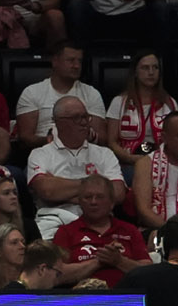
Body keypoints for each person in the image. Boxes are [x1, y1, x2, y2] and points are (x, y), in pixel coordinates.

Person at [27, 96, 127, 238]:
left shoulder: (104, 154)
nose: (84, 123)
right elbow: (47, 191)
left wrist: (61, 190)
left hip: (99, 221)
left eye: (85, 117)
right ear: (59, 122)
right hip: (54, 221)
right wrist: (98, 187)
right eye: (77, 118)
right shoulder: (40, 154)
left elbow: (118, 193)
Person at [53, 173, 150, 287]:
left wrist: (120, 261)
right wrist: (98, 261)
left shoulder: (130, 230)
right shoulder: (65, 232)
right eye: (88, 197)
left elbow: (148, 272)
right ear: (79, 202)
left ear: (112, 203)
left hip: (125, 296)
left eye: (100, 197)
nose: (93, 202)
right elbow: (56, 275)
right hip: (82, 296)